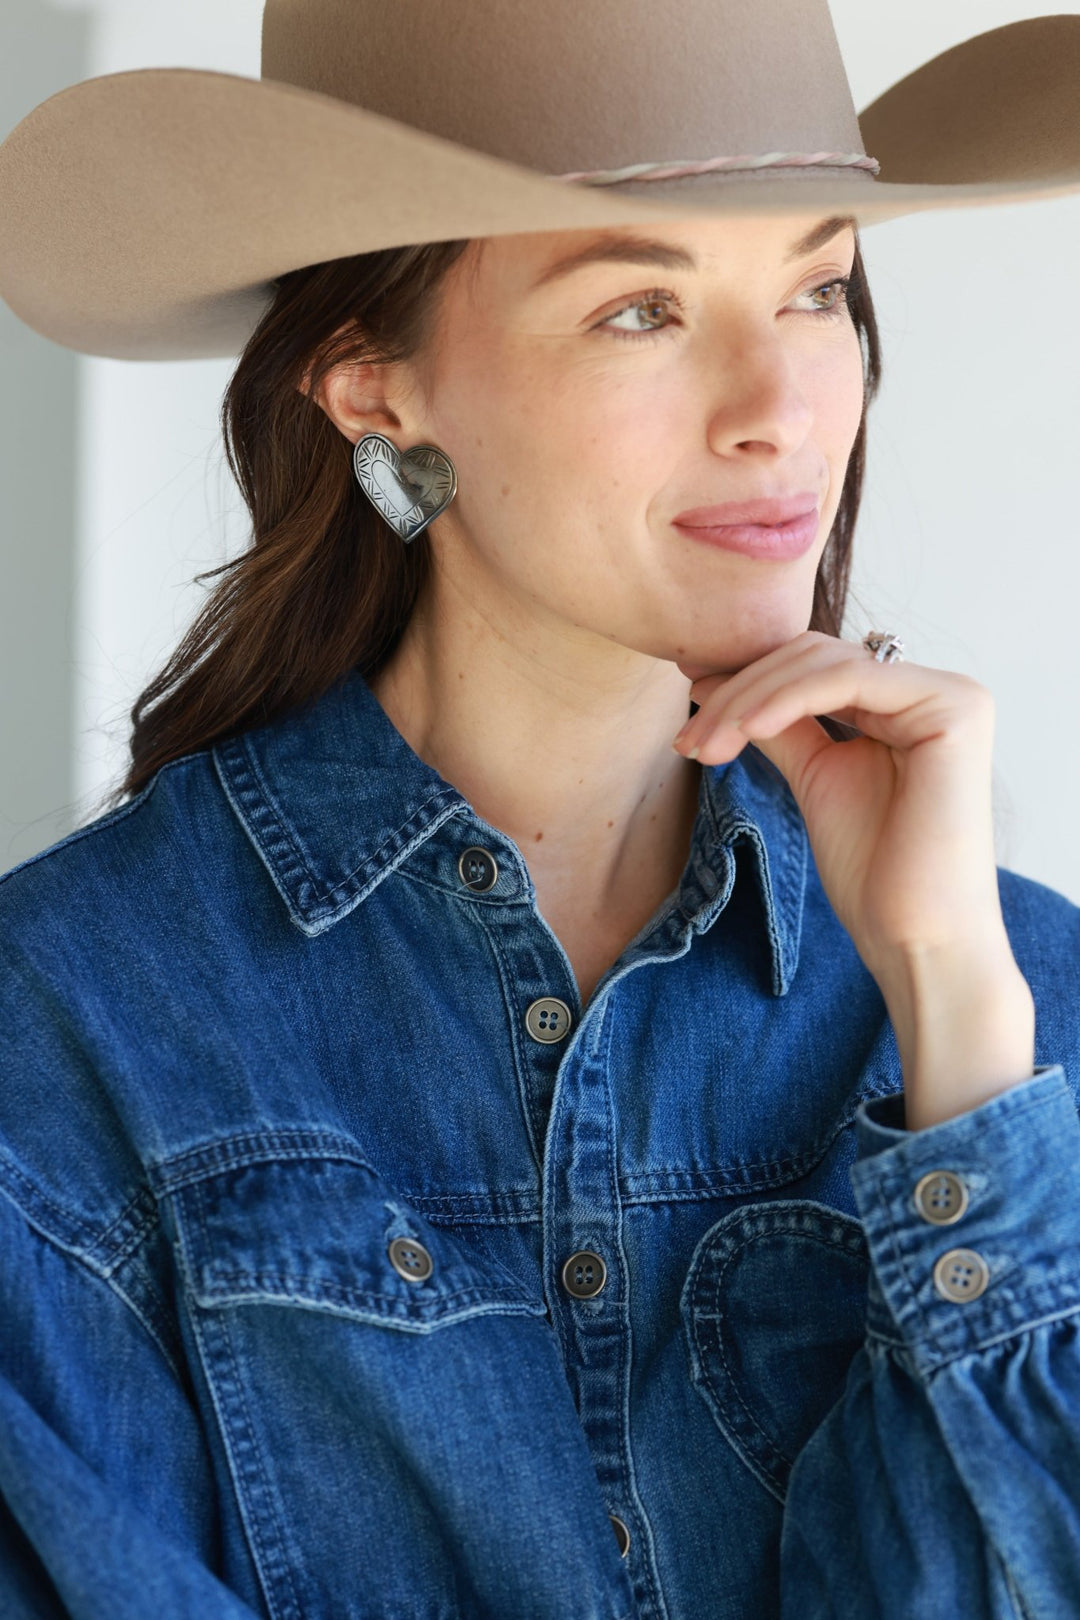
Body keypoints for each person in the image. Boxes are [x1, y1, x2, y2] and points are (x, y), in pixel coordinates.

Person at [1, 2, 1080, 1615]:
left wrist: (957, 1018)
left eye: (818, 286)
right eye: (641, 307)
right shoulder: (70, 1024)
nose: (777, 401)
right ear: (374, 394)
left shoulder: (1019, 1006)